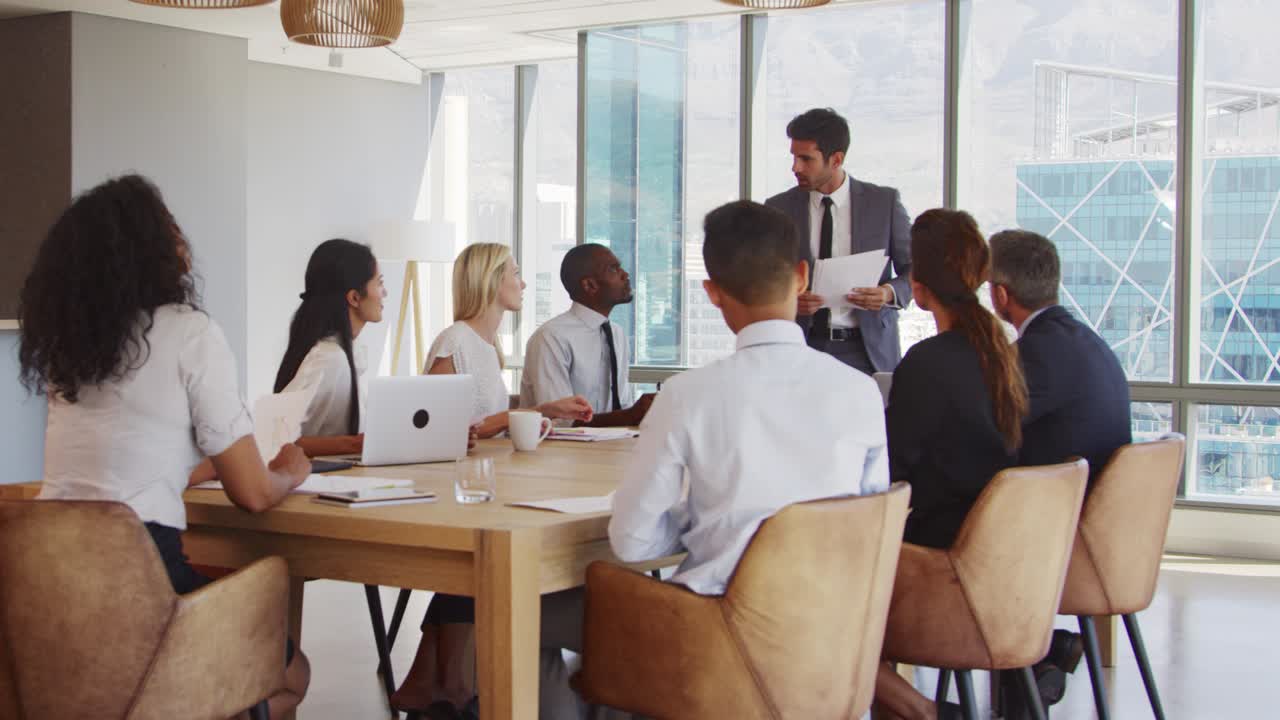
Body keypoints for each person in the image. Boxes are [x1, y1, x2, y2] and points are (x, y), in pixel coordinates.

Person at [19, 174, 311, 718]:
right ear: (149, 249)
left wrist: (200, 472)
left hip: (49, 590)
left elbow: (133, 462)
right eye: (171, 228)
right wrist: (289, 472)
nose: (183, 241)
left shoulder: (72, 350)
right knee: (291, 675)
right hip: (144, 584)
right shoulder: (189, 332)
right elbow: (252, 493)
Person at [610, 199, 889, 703]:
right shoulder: (861, 391)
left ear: (712, 293)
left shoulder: (686, 395)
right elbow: (870, 521)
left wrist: (693, 520)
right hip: (832, 643)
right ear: (802, 277)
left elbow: (631, 543)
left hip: (716, 643)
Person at [391, 242, 593, 717]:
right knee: (480, 559)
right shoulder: (456, 340)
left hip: (479, 481)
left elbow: (485, 420)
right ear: (490, 281)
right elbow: (439, 427)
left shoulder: (487, 347)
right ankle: (446, 683)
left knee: (482, 558)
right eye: (515, 273)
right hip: (452, 486)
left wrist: (540, 412)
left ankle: (435, 681)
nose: (523, 283)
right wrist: (528, 413)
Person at [874, 208, 1028, 719]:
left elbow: (891, 474)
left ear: (918, 291)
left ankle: (923, 711)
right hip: (1001, 556)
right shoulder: (1004, 354)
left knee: (818, 598)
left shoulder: (927, 363)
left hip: (941, 565)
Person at [989, 228, 1133, 712]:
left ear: (1001, 295)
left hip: (1064, 541)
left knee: (957, 528)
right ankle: (1042, 655)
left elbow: (990, 429)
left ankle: (1036, 654)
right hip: (1103, 532)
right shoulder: (1084, 339)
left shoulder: (1039, 353)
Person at [765, 107, 913, 374]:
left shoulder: (884, 204)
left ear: (836, 159)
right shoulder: (778, 209)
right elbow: (762, 280)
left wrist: (887, 293)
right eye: (794, 157)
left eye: (805, 159)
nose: (795, 167)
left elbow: (916, 272)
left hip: (868, 353)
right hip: (801, 348)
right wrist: (790, 299)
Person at [520, 243, 655, 427]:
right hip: (558, 453)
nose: (625, 275)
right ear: (590, 285)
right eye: (613, 269)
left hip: (613, 447)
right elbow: (561, 421)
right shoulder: (551, 337)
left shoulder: (617, 333)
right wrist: (631, 415)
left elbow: (622, 405)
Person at [273, 238, 386, 457]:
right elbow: (276, 438)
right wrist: (353, 444)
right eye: (380, 283)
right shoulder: (330, 358)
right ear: (354, 297)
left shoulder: (346, 351)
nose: (385, 293)